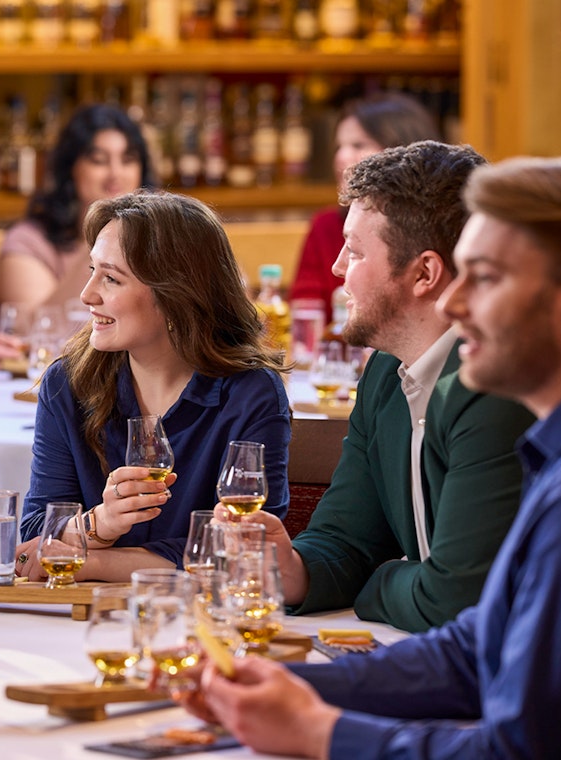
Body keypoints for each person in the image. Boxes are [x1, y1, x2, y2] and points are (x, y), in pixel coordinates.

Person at [185, 154, 561, 759]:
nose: (456, 303)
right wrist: (292, 685)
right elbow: (477, 648)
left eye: (485, 277)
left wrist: (319, 732)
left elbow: (524, 753)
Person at [228, 141, 535, 633]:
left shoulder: (497, 385)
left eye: (354, 251)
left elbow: (453, 602)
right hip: (434, 658)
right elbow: (346, 539)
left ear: (424, 274)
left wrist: (380, 579)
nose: (337, 269)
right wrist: (294, 572)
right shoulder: (382, 374)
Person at [12, 191, 290, 583]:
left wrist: (91, 561)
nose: (87, 294)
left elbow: (244, 547)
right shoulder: (67, 383)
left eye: (110, 278)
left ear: (175, 295)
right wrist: (101, 524)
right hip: (82, 621)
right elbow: (34, 538)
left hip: (199, 625)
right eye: (91, 271)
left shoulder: (250, 394)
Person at [290, 92, 441, 325]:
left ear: (403, 150)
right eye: (339, 146)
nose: (341, 157)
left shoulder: (436, 226)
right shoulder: (326, 225)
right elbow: (305, 309)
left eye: (358, 145)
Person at [0, 103, 157, 317]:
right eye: (99, 160)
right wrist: (104, 239)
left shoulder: (160, 240)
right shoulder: (29, 241)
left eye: (127, 160)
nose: (115, 173)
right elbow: (31, 330)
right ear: (70, 168)